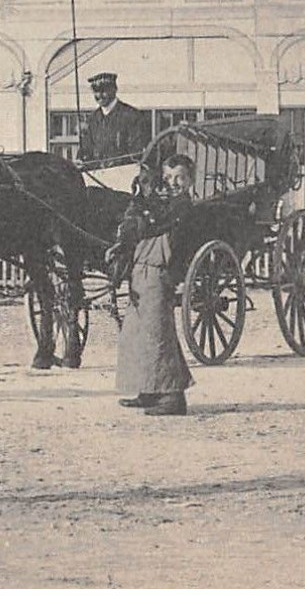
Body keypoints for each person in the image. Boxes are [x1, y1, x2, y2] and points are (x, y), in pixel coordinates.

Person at [109, 152, 197, 416]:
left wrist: (139, 220)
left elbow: (156, 227)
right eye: (169, 177)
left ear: (190, 181)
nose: (174, 183)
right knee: (136, 333)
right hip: (141, 272)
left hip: (158, 272)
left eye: (180, 178)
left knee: (159, 335)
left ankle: (172, 397)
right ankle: (149, 388)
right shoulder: (162, 202)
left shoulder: (182, 206)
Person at [77, 72, 152, 166]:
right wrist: (81, 159)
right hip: (96, 175)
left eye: (104, 91)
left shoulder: (132, 116)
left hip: (124, 174)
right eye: (96, 91)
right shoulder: (92, 119)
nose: (99, 95)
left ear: (114, 90)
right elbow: (86, 149)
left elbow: (137, 153)